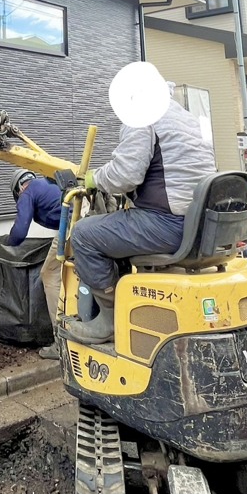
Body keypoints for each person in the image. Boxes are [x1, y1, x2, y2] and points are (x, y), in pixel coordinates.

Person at [57, 97, 216, 345]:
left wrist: (93, 178)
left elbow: (125, 174)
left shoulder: (143, 114)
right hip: (200, 225)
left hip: (167, 223)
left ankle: (109, 320)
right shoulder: (187, 118)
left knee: (84, 234)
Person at [6, 168, 65, 360]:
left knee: (49, 274)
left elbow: (20, 231)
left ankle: (61, 341)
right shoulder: (46, 184)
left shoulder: (28, 192)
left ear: (18, 188)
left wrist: (7, 244)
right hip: (87, 218)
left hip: (73, 225)